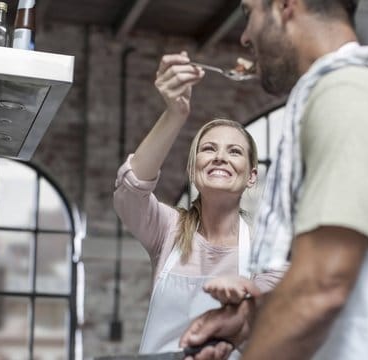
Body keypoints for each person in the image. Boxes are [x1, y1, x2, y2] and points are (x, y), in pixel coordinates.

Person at [179, 0, 368, 359]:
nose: (244, 37)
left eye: (248, 14)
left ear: (287, 6)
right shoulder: (350, 90)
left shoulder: (348, 93)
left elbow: (322, 286)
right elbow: (354, 271)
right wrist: (252, 322)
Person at [112, 52, 283, 356]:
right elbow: (131, 190)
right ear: (193, 170)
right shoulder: (167, 229)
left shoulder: (265, 249)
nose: (220, 157)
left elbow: (272, 327)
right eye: (208, 149)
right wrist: (174, 113)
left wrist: (246, 300)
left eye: (234, 152)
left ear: (251, 176)